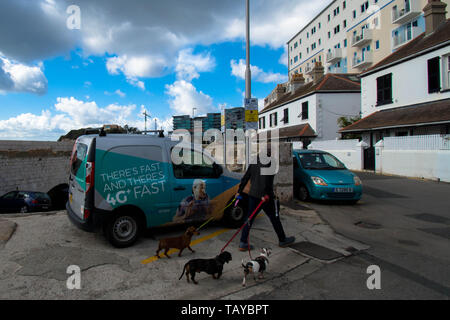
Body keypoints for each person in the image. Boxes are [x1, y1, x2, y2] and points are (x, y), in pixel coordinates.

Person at [236, 149, 295, 252]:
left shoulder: (255, 160)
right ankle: (282, 240)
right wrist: (265, 195)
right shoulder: (270, 162)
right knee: (274, 217)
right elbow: (266, 181)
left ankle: (243, 242)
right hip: (265, 197)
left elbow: (246, 177)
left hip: (253, 195)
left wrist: (239, 191)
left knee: (249, 218)